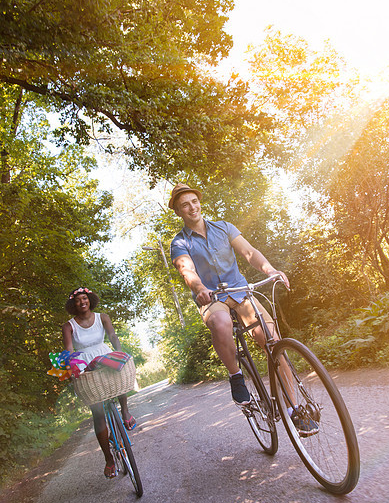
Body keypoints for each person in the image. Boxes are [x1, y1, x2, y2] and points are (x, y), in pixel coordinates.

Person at [169, 183, 318, 435]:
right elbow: (187, 270)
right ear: (178, 211)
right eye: (185, 204)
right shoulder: (179, 242)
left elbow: (249, 252)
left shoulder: (224, 228)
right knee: (221, 323)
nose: (192, 207)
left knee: (272, 342)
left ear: (200, 202)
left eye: (194, 201)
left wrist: (270, 270)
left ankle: (294, 410)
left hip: (240, 291)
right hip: (212, 296)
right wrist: (199, 287)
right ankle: (236, 375)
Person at [62, 286, 137, 479]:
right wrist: (72, 367)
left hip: (105, 355)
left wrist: (121, 353)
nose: (82, 302)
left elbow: (112, 335)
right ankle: (109, 459)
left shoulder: (102, 317)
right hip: (86, 363)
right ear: (74, 304)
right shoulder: (69, 326)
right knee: (97, 413)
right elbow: (69, 349)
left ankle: (125, 411)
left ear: (90, 300)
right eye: (78, 300)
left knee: (118, 378)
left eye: (85, 298)